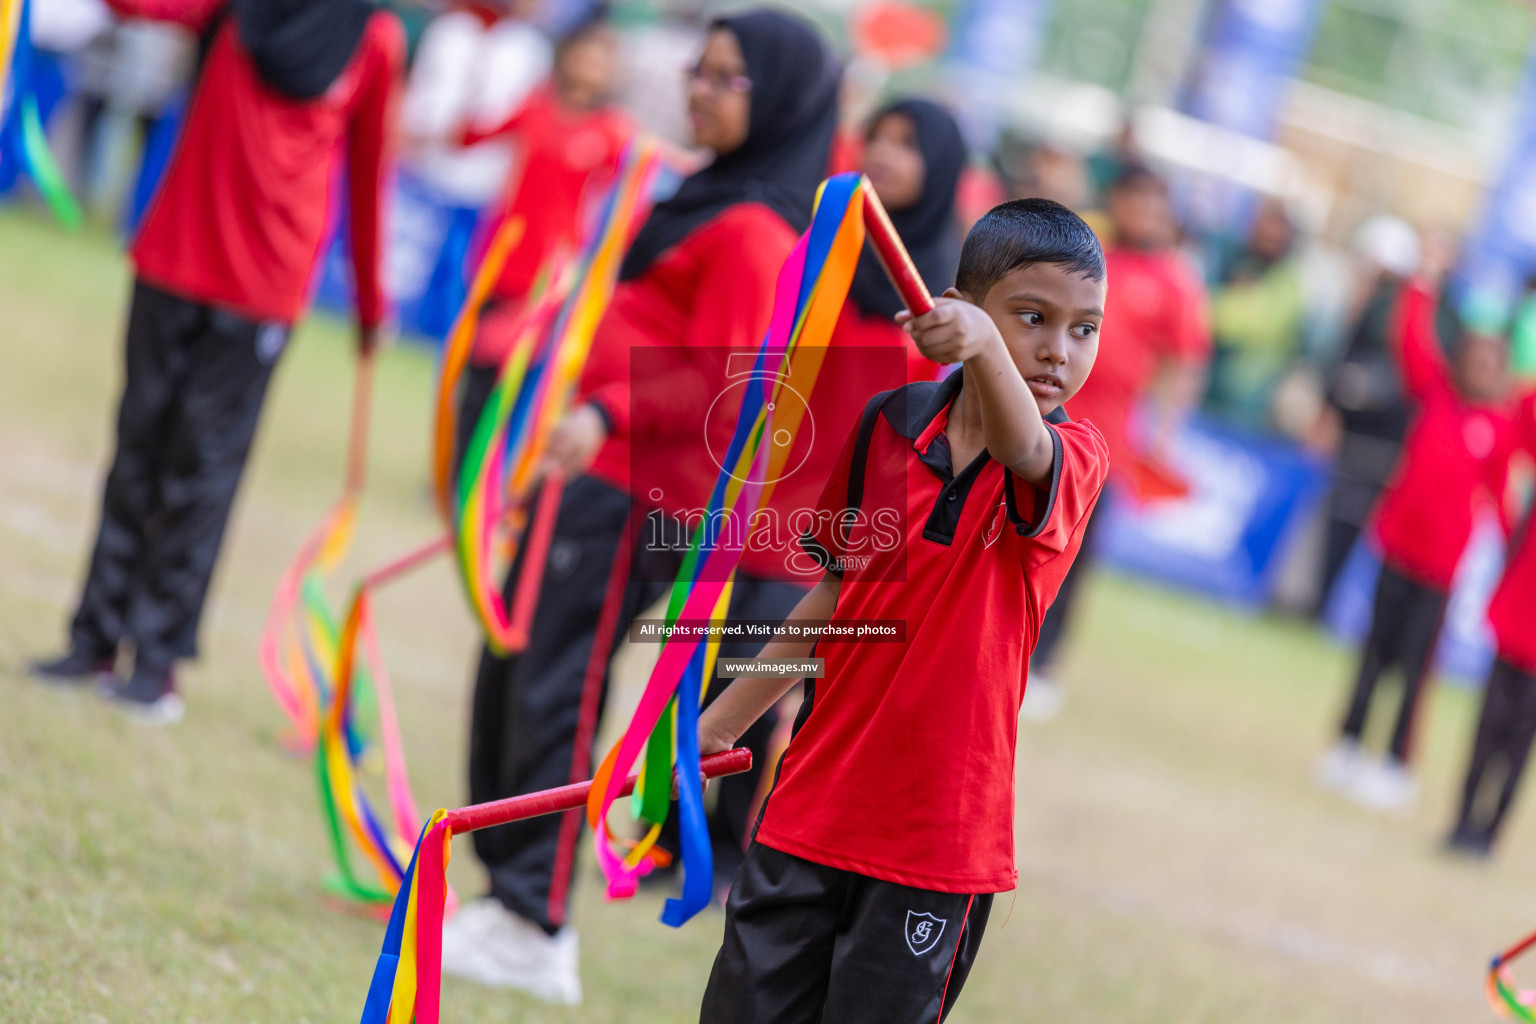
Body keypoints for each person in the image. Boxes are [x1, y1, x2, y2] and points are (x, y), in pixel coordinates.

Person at [439, 9, 841, 1004]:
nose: (699, 89)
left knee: (557, 686)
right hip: (595, 468)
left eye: (726, 78)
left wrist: (606, 408)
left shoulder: (753, 229)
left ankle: (535, 921)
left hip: (636, 488)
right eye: (697, 70)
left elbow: (723, 382)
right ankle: (503, 893)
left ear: (781, 98)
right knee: (516, 663)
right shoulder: (708, 194)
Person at [693, 198, 1110, 1024]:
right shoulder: (890, 427)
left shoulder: (1071, 460)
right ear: (958, 305)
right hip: (809, 810)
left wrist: (991, 344)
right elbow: (837, 599)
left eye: (1085, 329)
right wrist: (718, 725)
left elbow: (1028, 445)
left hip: (936, 845)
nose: (1059, 351)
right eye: (1032, 318)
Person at [28, 0, 403, 725]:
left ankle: (158, 660)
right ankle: (94, 638)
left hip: (263, 286)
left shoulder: (375, 37)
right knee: (136, 448)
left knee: (203, 469)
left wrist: (369, 303)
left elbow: (368, 172)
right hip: (173, 258)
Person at [644, 97, 964, 891]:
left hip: (840, 517)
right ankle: (672, 837)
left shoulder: (938, 301)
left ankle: (734, 850)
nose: (885, 155)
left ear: (944, 169)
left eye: (907, 145)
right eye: (878, 138)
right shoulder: (820, 250)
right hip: (763, 491)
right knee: (708, 662)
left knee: (775, 679)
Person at [1316, 261, 1517, 813]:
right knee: (1373, 652)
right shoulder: (1432, 394)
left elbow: (1501, 502)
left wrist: (1512, 553)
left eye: (1491, 364)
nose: (1480, 370)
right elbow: (1409, 335)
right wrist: (1422, 282)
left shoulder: (1499, 429)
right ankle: (1348, 744)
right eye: (1474, 359)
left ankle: (1395, 762)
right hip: (1396, 549)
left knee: (1415, 668)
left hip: (1442, 570)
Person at [1025, 164, 1212, 720]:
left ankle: (1044, 664)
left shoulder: (1176, 280)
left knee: (1073, 556)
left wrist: (1165, 433)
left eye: (1155, 205)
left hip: (1101, 446)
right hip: (1039, 423)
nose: (1144, 214)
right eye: (1136, 201)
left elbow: (1187, 362)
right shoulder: (1089, 257)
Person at [451, 8, 632, 463]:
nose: (591, 68)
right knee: (474, 376)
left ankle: (497, 477)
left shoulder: (611, 133)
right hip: (499, 259)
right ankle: (457, 476)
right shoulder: (537, 107)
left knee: (520, 386)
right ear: (566, 55)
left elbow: (630, 202)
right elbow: (470, 136)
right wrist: (474, 77)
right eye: (585, 55)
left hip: (550, 280)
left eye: (602, 61)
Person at [1449, 393, 1536, 856]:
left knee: (1523, 735)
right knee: (1491, 721)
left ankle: (1490, 831)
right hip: (1523, 601)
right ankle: (1463, 818)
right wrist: (1508, 517)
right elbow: (1514, 432)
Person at [1205, 198, 1306, 430]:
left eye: (1274, 239)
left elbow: (1228, 320)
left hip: (1245, 402)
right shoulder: (1237, 262)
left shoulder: (1287, 284)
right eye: (1262, 235)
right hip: (1210, 386)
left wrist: (1225, 302)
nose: (1267, 242)